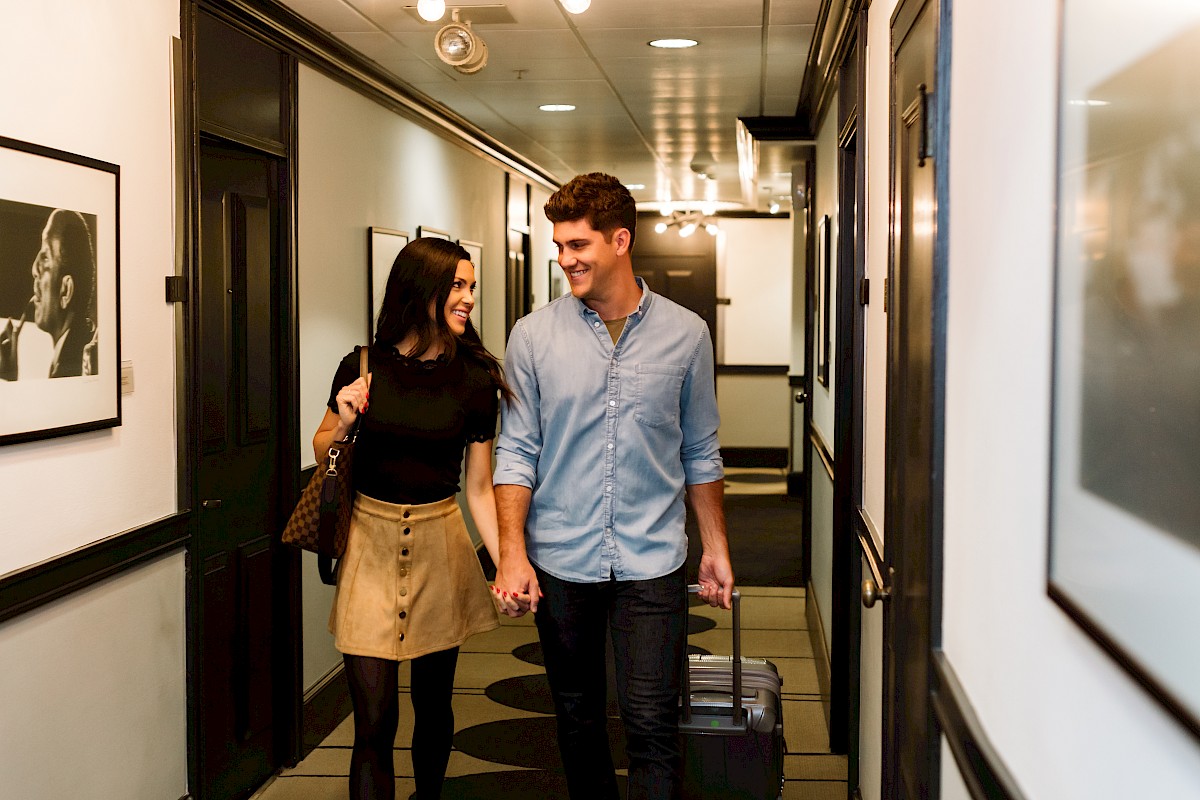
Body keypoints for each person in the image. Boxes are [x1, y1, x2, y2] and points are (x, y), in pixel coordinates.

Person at [492, 172, 735, 799]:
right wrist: (512, 554)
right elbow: (517, 450)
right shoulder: (532, 336)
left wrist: (716, 546)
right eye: (560, 246)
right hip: (562, 556)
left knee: (652, 722)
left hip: (651, 557)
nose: (565, 258)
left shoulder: (687, 335)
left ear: (620, 240)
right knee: (577, 720)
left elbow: (701, 449)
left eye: (579, 245)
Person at [313, 237, 522, 800]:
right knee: (374, 722)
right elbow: (322, 450)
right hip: (369, 544)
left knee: (434, 708)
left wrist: (508, 564)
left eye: (472, 287)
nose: (469, 298)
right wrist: (347, 417)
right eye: (458, 286)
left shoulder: (476, 379)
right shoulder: (361, 366)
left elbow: (479, 488)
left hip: (440, 545)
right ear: (422, 288)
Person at [0, 208, 98, 381]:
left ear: (65, 291)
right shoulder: (72, 354)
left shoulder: (81, 364)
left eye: (45, 257)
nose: (34, 270)